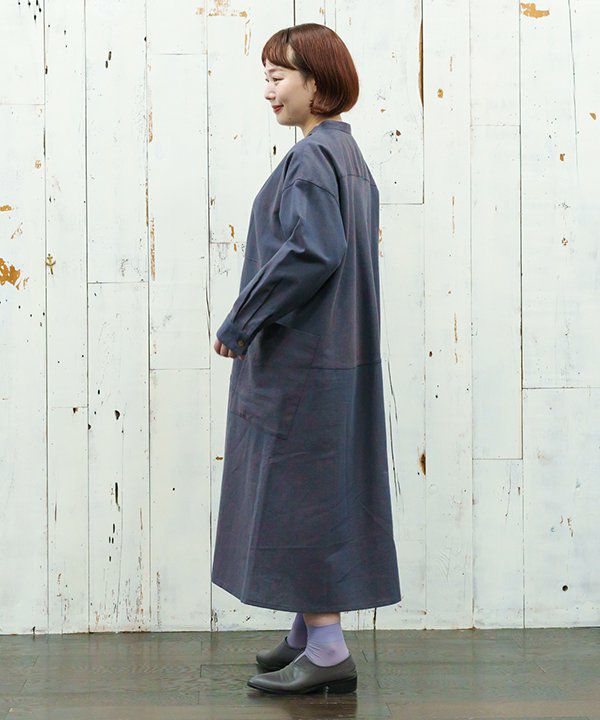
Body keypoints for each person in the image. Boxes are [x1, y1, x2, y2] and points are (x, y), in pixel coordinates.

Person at [212, 22, 402, 695]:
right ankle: (305, 632)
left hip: (304, 362)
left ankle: (326, 648)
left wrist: (242, 319)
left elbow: (312, 251)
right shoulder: (346, 156)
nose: (268, 90)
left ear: (316, 84)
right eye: (266, 77)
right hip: (335, 357)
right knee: (318, 491)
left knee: (303, 496)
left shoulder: (313, 159)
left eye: (278, 76)